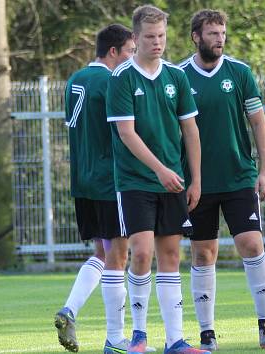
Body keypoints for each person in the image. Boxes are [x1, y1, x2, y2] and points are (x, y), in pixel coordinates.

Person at [106, 5, 208, 354]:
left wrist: (195, 178)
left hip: (174, 183)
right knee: (141, 253)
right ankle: (138, 336)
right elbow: (126, 134)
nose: (157, 43)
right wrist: (160, 170)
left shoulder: (176, 77)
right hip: (136, 181)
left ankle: (175, 340)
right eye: (150, 37)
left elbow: (190, 130)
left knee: (170, 255)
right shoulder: (121, 78)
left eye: (162, 36)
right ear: (135, 39)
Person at [177, 9, 265, 351]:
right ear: (196, 36)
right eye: (212, 33)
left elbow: (258, 123)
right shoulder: (177, 76)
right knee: (203, 255)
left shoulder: (240, 72)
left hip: (239, 178)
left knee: (252, 244)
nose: (219, 38)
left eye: (222, 32)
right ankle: (207, 333)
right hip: (197, 183)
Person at [55, 23, 138, 354]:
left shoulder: (75, 79)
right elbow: (123, 131)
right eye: (130, 52)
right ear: (114, 51)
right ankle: (115, 338)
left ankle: (70, 310)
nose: (133, 58)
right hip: (109, 182)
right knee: (119, 255)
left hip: (83, 182)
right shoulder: (111, 81)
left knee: (102, 255)